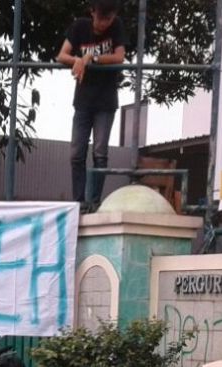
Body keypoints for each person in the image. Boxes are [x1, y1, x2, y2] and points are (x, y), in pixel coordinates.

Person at [56, 0, 126, 211]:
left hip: (106, 101)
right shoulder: (80, 26)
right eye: (101, 18)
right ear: (92, 12)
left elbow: (119, 57)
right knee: (76, 153)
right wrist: (78, 60)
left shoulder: (117, 26)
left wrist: (92, 58)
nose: (105, 23)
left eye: (109, 18)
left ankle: (94, 202)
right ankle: (79, 202)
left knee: (100, 153)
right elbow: (62, 55)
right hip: (83, 101)